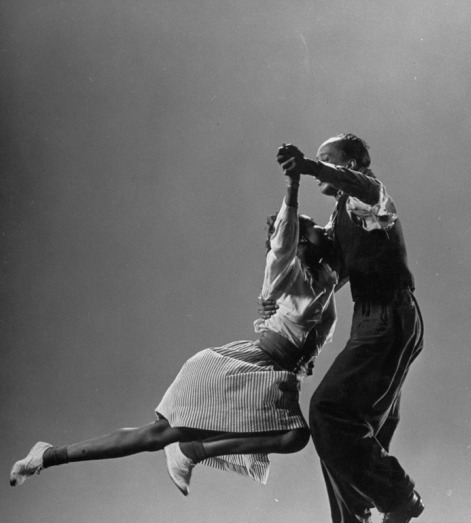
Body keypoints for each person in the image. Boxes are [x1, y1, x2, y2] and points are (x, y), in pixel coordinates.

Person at [10, 172, 340, 498]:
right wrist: (293, 184)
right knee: (156, 435)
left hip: (274, 374)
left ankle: (193, 450)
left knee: (292, 437)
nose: (321, 230)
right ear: (298, 237)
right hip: (242, 368)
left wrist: (342, 198)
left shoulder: (324, 278)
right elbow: (283, 240)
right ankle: (46, 456)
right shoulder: (284, 268)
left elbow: (336, 238)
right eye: (311, 227)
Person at [265, 136, 424, 523]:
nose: (321, 164)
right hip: (372, 321)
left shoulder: (370, 193)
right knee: (347, 440)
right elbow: (324, 277)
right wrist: (294, 241)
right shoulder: (341, 214)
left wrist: (309, 169)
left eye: (327, 159)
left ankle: (400, 495)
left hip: (389, 317)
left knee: (329, 413)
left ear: (350, 164)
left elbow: (356, 186)